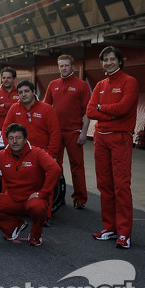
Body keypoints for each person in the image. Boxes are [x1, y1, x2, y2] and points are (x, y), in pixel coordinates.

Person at [86, 46, 138, 249]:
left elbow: (124, 109)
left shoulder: (129, 81)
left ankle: (124, 233)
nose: (108, 63)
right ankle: (109, 227)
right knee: (104, 186)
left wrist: (102, 108)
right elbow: (90, 111)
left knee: (121, 186)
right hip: (101, 139)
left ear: (119, 61)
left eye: (111, 59)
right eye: (105, 60)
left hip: (120, 139)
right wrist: (109, 113)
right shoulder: (99, 85)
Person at [0, 123, 61, 247]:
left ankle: (36, 234)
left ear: (25, 139)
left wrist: (43, 193)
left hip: (33, 200)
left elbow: (55, 169)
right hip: (13, 200)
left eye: (18, 138)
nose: (15, 141)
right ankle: (13, 226)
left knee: (38, 207)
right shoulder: (1, 155)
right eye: (11, 138)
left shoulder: (37, 153)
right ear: (7, 140)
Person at [45, 55, 91, 209]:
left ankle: (80, 199)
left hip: (74, 132)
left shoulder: (82, 85)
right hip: (56, 133)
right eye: (61, 65)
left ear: (73, 66)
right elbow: (45, 109)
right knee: (54, 165)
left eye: (66, 65)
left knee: (77, 166)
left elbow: (87, 112)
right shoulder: (53, 84)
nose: (63, 68)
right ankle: (59, 195)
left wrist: (84, 133)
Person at [2, 80, 61, 160]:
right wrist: (11, 150)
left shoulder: (47, 109)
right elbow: (5, 130)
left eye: (26, 91)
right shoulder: (14, 109)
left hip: (43, 154)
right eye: (20, 92)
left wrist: (50, 154)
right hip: (21, 154)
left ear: (33, 91)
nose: (23, 94)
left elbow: (55, 133)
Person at [0, 67, 18, 131]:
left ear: (14, 79)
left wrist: (5, 105)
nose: (6, 80)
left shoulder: (20, 92)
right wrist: (14, 112)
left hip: (16, 131)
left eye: (9, 78)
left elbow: (22, 107)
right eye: (4, 78)